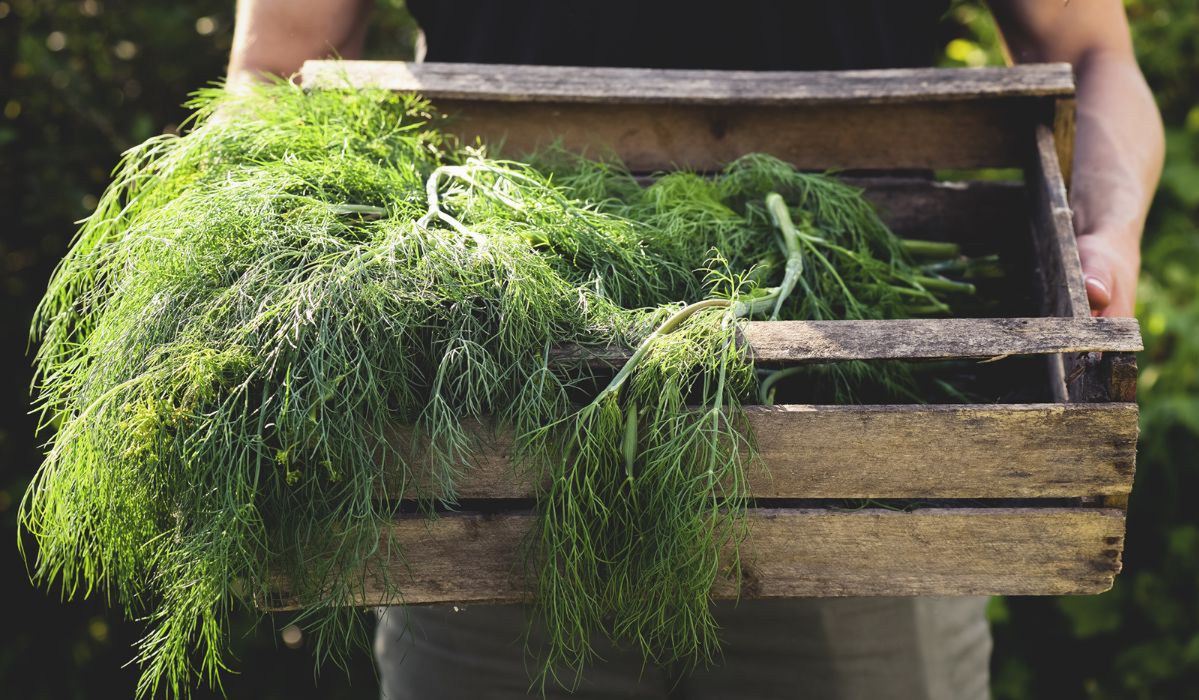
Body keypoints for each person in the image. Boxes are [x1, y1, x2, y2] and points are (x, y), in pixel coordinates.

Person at [227, 2, 1164, 698]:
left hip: (871, 466)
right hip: (478, 461)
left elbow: (1087, 47)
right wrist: (257, 250)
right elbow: (274, 65)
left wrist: (1107, 232)